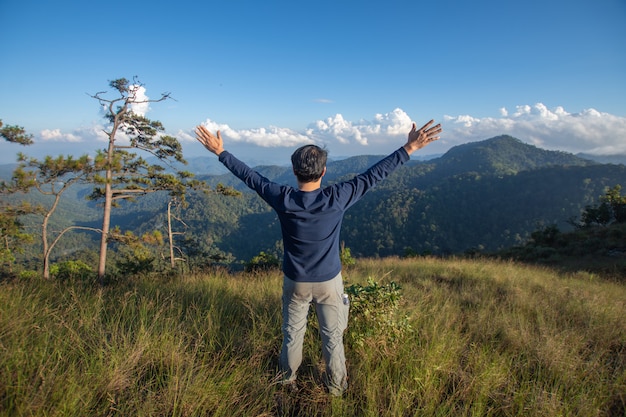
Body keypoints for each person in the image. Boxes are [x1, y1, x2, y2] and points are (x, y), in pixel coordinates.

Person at [195, 119, 441, 396]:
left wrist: (220, 152)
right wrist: (410, 146)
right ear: (324, 171)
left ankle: (286, 382)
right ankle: (336, 388)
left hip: (295, 281)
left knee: (292, 335)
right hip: (328, 282)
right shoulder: (337, 197)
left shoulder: (283, 198)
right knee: (333, 338)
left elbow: (251, 177)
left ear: (294, 171)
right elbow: (375, 174)